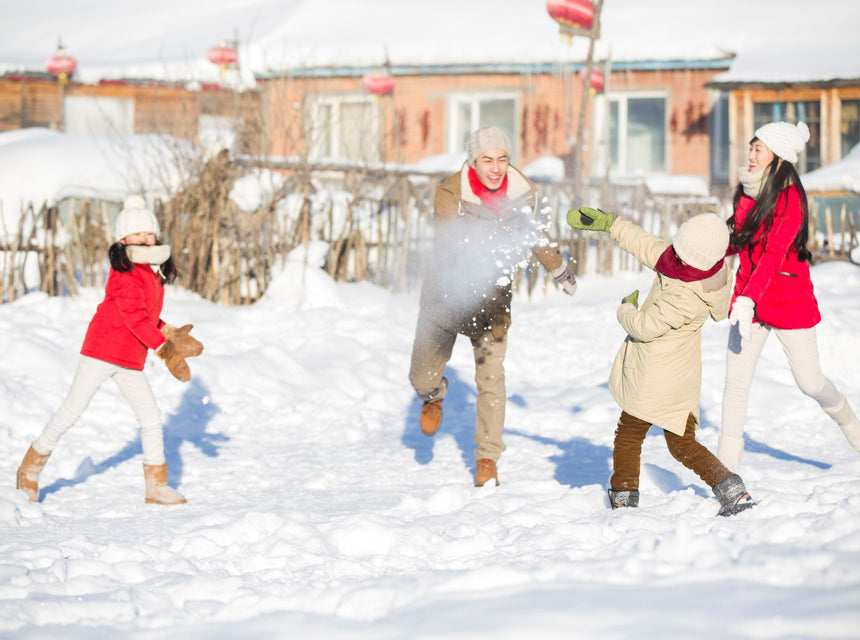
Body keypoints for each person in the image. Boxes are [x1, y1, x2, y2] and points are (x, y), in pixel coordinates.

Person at [409, 126, 578, 487]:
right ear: (474, 160)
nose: (496, 168)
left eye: (502, 159)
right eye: (488, 159)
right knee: (420, 376)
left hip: (492, 303)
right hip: (446, 297)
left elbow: (533, 235)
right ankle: (434, 395)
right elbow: (450, 242)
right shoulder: (451, 193)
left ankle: (487, 457)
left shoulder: (520, 194)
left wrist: (558, 269)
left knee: (492, 381)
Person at [15, 196, 204, 505]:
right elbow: (134, 317)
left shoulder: (152, 271)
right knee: (71, 411)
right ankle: (29, 470)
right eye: (136, 234)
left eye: (148, 233)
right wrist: (164, 348)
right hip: (102, 352)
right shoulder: (127, 272)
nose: (143, 238)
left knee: (151, 417)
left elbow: (148, 317)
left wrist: (168, 331)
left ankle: (156, 486)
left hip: (130, 358)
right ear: (123, 239)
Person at [567, 207, 754, 516]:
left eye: (680, 251)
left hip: (656, 377)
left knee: (628, 434)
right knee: (682, 445)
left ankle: (625, 497)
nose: (673, 254)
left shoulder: (684, 296)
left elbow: (644, 326)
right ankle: (731, 488)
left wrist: (626, 308)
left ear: (694, 258)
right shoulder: (700, 271)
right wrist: (611, 224)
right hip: (681, 379)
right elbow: (649, 246)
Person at [718, 121, 860, 466]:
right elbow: (734, 241)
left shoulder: (790, 199)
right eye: (751, 148)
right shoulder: (747, 189)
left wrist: (749, 298)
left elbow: (773, 254)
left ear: (779, 158)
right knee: (735, 383)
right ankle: (725, 474)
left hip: (786, 300)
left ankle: (852, 426)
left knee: (810, 383)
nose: (751, 155)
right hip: (747, 300)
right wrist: (694, 254)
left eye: (759, 149)